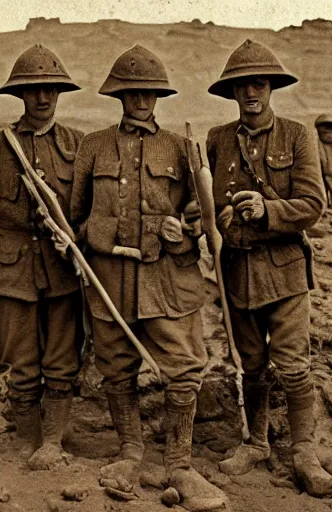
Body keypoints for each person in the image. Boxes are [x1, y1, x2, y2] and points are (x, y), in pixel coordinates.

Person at [71, 44, 228, 511]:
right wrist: (90, 235)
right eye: (132, 92)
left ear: (159, 96)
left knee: (184, 370)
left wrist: (184, 229)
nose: (141, 100)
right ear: (118, 95)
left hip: (169, 282)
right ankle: (130, 452)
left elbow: (203, 217)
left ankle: (179, 460)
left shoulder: (182, 147)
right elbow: (75, 218)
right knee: (116, 370)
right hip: (111, 282)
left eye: (149, 92)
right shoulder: (92, 146)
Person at [206, 39, 332, 498]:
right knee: (251, 365)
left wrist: (268, 209)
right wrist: (218, 218)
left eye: (258, 84)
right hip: (236, 272)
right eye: (242, 86)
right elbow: (206, 205)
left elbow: (314, 205)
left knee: (295, 367)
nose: (250, 93)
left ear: (271, 88)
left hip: (283, 272)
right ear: (232, 92)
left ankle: (304, 450)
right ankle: (257, 442)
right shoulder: (216, 140)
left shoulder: (298, 135)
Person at [0, 44, 84, 470]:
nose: (43, 98)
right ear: (20, 96)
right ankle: (28, 439)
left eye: (50, 90)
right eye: (33, 90)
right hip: (13, 272)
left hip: (63, 272)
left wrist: (76, 242)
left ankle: (54, 442)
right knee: (19, 363)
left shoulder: (78, 145)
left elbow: (97, 207)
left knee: (62, 362)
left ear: (59, 94)